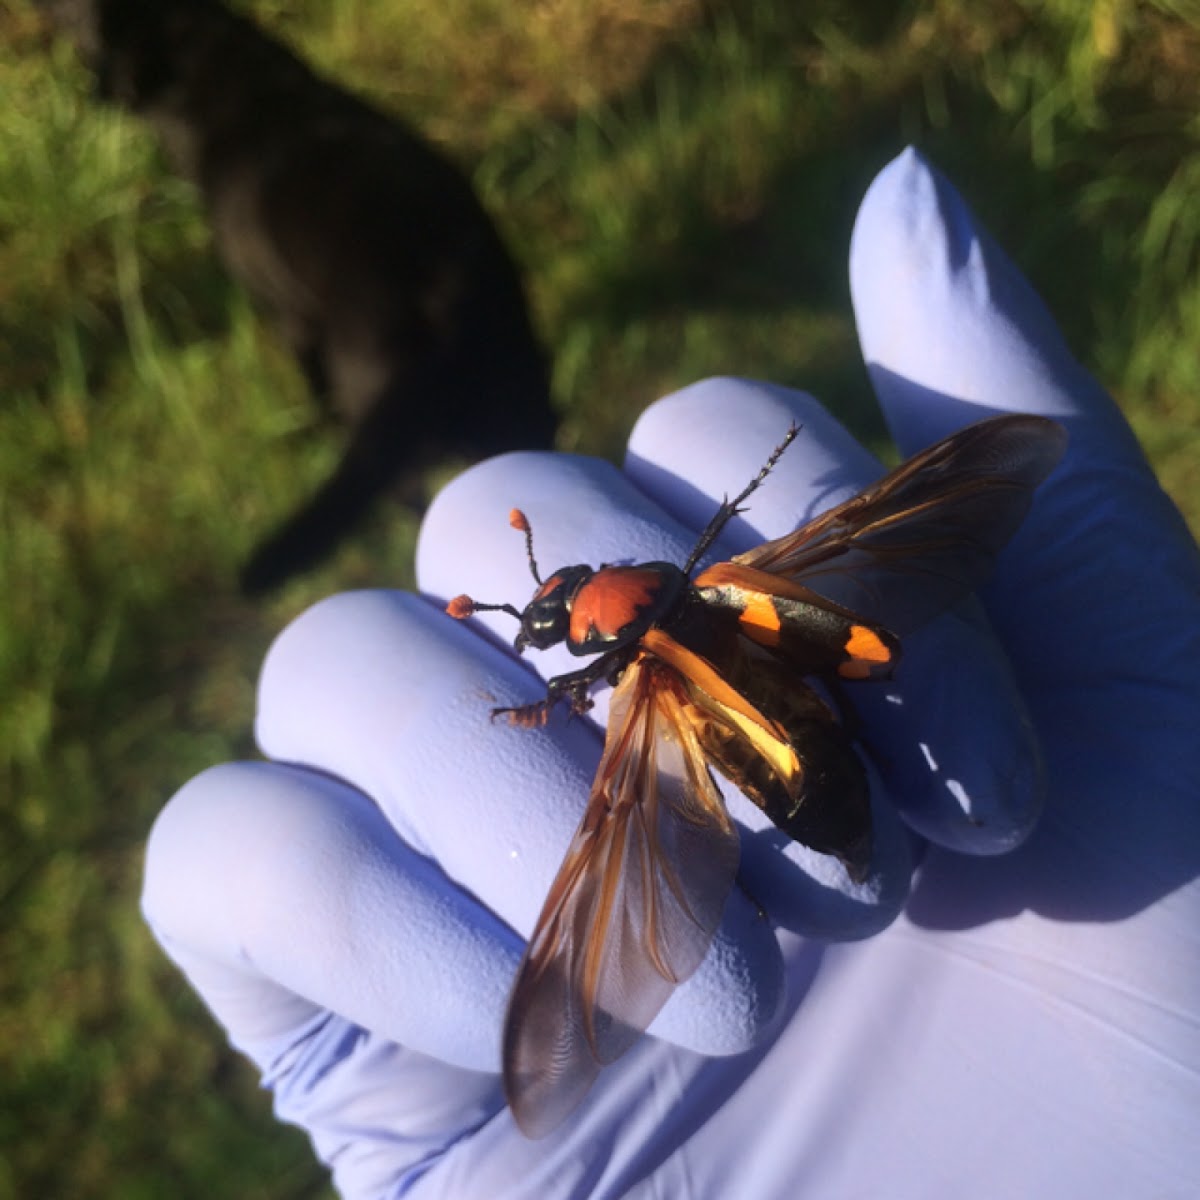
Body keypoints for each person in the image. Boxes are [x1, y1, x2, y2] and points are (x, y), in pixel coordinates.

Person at [142, 148, 1200, 1198]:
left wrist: (551, 716)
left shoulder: (637, 684)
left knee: (644, 805)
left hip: (801, 782)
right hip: (801, 747)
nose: (557, 604)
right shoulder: (711, 598)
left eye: (557, 604)